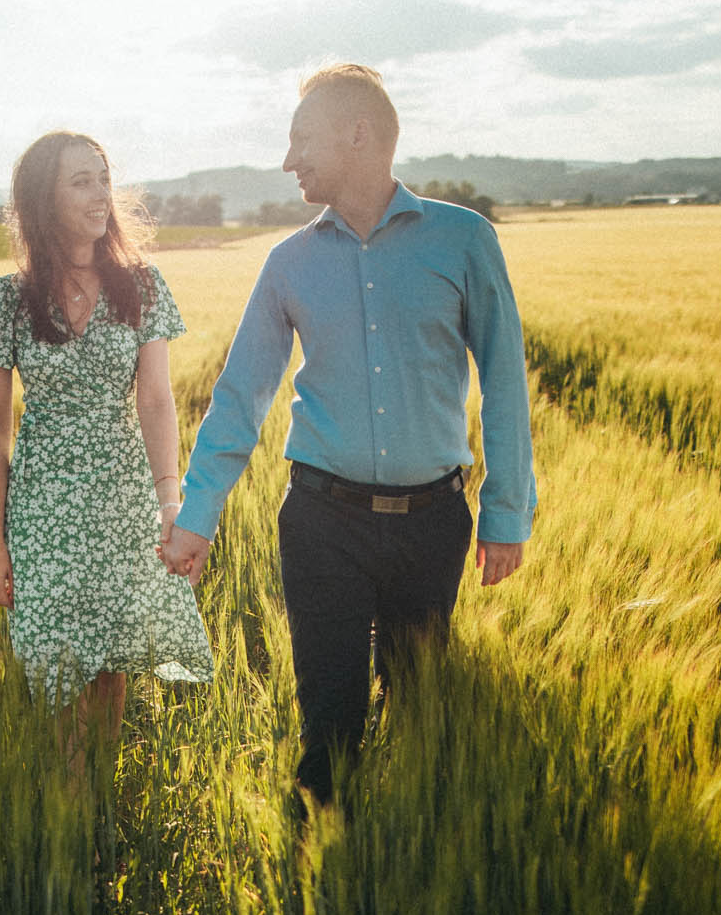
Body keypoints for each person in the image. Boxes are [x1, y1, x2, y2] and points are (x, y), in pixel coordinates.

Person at [160, 64, 535, 807]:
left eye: (302, 138)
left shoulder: (464, 240)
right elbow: (240, 396)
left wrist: (506, 513)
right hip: (321, 523)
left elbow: (504, 379)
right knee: (329, 727)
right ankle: (321, 857)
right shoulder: (288, 263)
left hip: (432, 524)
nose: (287, 159)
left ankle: (400, 856)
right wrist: (197, 515)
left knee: (417, 708)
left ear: (358, 133)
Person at [0, 130, 213, 767]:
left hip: (122, 505)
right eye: (81, 181)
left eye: (104, 179)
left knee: (112, 664)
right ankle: (74, 804)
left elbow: (156, 401)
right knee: (59, 674)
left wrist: (170, 503)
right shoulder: (5, 300)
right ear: (43, 199)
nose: (101, 193)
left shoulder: (142, 286)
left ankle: (98, 800)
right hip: (43, 515)